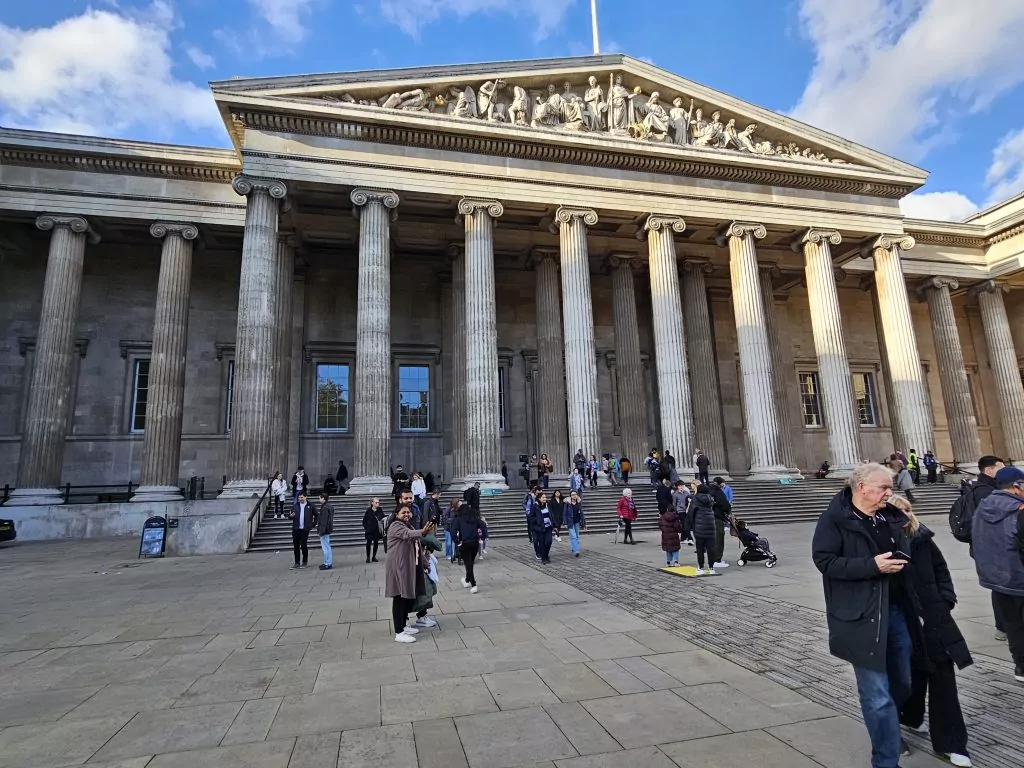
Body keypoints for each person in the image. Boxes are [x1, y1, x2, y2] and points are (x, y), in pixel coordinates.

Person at [812, 462, 913, 768]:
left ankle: (888, 727)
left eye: (890, 487)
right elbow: (825, 561)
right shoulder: (834, 520)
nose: (889, 493)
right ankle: (885, 760)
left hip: (895, 610)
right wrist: (872, 566)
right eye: (884, 488)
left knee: (903, 682)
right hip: (860, 615)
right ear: (861, 487)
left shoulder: (889, 517)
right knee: (877, 694)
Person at [889, 496, 973, 768]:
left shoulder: (922, 539)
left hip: (933, 618)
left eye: (906, 509)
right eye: (897, 511)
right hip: (900, 621)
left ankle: (952, 742)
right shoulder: (878, 544)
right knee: (907, 676)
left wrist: (945, 600)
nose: (903, 514)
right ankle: (909, 717)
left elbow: (941, 570)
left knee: (942, 675)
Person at [970, 465, 1024, 684]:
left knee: (1013, 625)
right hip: (1019, 576)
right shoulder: (1019, 510)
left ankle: (1021, 666)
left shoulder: (982, 508)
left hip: (997, 578)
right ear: (1016, 487)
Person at [960, 455, 1006, 640]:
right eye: (1001, 467)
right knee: (1002, 587)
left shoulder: (983, 488)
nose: (1003, 471)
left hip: (989, 546)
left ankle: (1004, 627)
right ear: (989, 470)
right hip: (993, 547)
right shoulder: (985, 491)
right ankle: (1003, 627)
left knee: (1002, 586)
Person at [384, 504, 434, 643]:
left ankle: (403, 626)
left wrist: (425, 563)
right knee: (399, 598)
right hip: (398, 567)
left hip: (407, 567)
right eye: (403, 512)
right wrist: (422, 531)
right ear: (397, 514)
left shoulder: (408, 525)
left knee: (406, 598)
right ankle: (399, 632)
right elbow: (408, 534)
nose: (406, 514)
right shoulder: (396, 525)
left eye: (408, 512)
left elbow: (416, 545)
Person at [410, 534, 441, 630]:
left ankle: (422, 615)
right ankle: (405, 620)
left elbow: (437, 545)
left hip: (421, 563)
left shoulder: (420, 532)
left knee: (427, 590)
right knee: (423, 591)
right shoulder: (413, 530)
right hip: (414, 565)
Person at [454, 501, 487, 593]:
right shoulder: (475, 519)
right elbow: (483, 525)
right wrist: (482, 537)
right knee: (470, 563)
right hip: (475, 543)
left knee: (468, 564)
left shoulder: (458, 519)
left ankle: (473, 584)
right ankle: (467, 580)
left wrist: (457, 542)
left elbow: (453, 531)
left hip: (464, 543)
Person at [689, 483, 718, 575]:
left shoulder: (695, 499)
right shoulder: (710, 499)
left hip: (699, 527)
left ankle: (701, 567)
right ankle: (711, 567)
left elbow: (691, 513)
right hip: (711, 526)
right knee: (711, 548)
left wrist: (689, 525)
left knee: (700, 549)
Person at [709, 477, 733, 569]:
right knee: (719, 538)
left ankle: (713, 558)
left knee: (712, 539)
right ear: (720, 483)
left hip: (708, 517)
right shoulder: (718, 492)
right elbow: (725, 504)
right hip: (717, 517)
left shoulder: (709, 491)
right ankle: (717, 559)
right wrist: (727, 511)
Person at [289, 492, 316, 570]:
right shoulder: (295, 505)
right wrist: (291, 516)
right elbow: (290, 516)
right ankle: (296, 562)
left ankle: (304, 562)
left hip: (305, 529)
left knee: (303, 545)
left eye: (302, 497)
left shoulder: (310, 505)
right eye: (299, 497)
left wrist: (312, 524)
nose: (300, 499)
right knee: (296, 546)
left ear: (306, 497)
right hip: (296, 529)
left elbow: (316, 515)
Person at [529, 491, 555, 564]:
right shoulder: (535, 506)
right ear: (539, 498)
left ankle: (546, 555)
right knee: (542, 543)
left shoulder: (548, 505)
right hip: (539, 527)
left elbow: (551, 515)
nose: (544, 499)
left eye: (545, 497)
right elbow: (531, 517)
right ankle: (544, 558)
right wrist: (537, 520)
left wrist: (554, 524)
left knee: (549, 541)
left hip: (548, 526)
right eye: (543, 497)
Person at [314, 492, 334, 570]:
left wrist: (321, 531)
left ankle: (327, 563)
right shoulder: (329, 506)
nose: (319, 499)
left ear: (323, 498)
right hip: (328, 529)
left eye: (319, 498)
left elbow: (324, 521)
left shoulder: (325, 507)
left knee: (325, 547)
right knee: (327, 546)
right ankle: (328, 562)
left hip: (325, 530)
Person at [659, 499, 683, 567]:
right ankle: (676, 561)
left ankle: (668, 562)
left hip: (665, 535)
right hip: (674, 535)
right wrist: (680, 530)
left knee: (668, 549)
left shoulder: (663, 517)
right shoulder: (675, 517)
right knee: (675, 548)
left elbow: (660, 525)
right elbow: (677, 526)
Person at [362, 498, 384, 562]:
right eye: (376, 502)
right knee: (368, 543)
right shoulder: (368, 510)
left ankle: (374, 556)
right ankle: (368, 557)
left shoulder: (380, 510)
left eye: (378, 502)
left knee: (376, 543)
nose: (378, 504)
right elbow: (364, 520)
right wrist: (366, 528)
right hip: (370, 530)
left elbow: (383, 517)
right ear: (372, 503)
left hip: (377, 530)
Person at [565, 490, 585, 557]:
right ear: (570, 496)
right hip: (570, 522)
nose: (574, 496)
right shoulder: (567, 503)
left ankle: (574, 548)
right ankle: (577, 551)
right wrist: (565, 523)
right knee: (573, 536)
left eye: (575, 494)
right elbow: (564, 513)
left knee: (577, 536)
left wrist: (584, 523)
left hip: (577, 522)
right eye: (573, 495)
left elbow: (581, 513)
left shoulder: (579, 503)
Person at [672, 480, 693, 546]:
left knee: (685, 525)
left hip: (687, 510)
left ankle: (683, 538)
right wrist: (676, 512)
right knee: (685, 525)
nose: (681, 487)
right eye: (680, 486)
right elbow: (674, 504)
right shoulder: (675, 494)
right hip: (680, 511)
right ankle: (690, 538)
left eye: (682, 486)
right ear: (677, 487)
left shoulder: (686, 493)